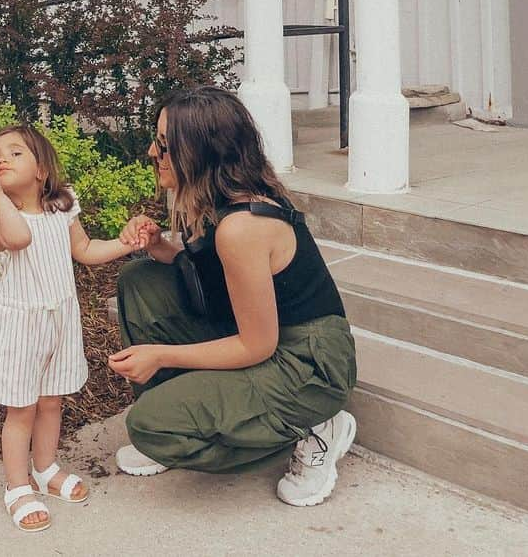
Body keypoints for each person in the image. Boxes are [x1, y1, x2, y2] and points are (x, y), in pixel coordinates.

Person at [108, 85, 358, 507]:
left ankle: (314, 428)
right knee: (141, 278)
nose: (153, 151)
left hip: (307, 362)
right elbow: (210, 275)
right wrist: (157, 246)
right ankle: (185, 410)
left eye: (165, 145)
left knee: (150, 426)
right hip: (266, 339)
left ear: (199, 152)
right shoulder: (211, 199)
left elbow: (257, 345)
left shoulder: (243, 225)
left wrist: (161, 354)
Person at [0, 122, 142, 532]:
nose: (3, 159)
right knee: (22, 409)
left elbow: (84, 250)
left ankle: (46, 467)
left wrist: (126, 243)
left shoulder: (62, 209)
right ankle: (17, 486)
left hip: (60, 321)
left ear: (41, 170)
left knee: (52, 401)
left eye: (15, 152)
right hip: (20, 327)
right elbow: (19, 239)